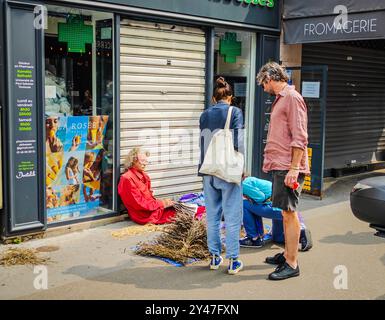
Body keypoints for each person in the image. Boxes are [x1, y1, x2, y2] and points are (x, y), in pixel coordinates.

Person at [257, 62, 310, 281]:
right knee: (285, 212)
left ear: (270, 78)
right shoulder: (282, 99)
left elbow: (300, 136)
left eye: (262, 84)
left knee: (289, 213)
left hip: (288, 166)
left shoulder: (292, 98)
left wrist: (294, 168)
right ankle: (288, 254)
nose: (263, 88)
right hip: (280, 165)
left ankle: (292, 263)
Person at [199, 77, 245, 274]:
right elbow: (239, 142)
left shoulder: (204, 114)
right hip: (227, 170)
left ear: (213, 98)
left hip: (208, 170)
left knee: (212, 216)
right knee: (233, 216)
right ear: (230, 97)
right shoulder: (235, 112)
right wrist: (242, 167)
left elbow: (203, 143)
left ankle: (214, 257)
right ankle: (233, 261)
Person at [240, 176, 313, 251]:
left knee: (244, 204)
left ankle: (253, 238)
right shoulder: (250, 180)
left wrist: (247, 199)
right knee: (278, 238)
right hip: (281, 204)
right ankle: (302, 235)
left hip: (276, 206)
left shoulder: (243, 184)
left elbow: (260, 198)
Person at [118, 147, 176, 225]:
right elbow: (139, 204)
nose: (145, 164)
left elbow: (149, 199)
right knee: (181, 213)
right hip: (144, 215)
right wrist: (161, 203)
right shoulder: (127, 179)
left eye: (146, 161)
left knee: (182, 207)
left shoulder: (144, 176)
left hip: (151, 210)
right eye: (142, 161)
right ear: (133, 161)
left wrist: (163, 203)